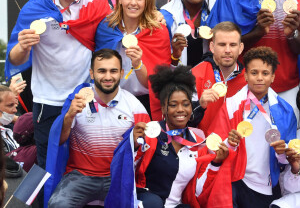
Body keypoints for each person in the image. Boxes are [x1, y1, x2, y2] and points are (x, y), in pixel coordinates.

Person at [5, 0, 111, 170]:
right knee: (48, 166)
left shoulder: (97, 3)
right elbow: (15, 59)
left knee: (84, 164)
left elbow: (111, 41)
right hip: (47, 100)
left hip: (83, 98)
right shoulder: (35, 8)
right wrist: (24, 47)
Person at [105, 65, 233, 208]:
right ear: (163, 108)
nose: (180, 110)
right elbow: (124, 172)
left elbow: (198, 191)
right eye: (173, 105)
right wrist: (133, 145)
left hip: (175, 205)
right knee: (153, 203)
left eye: (186, 104)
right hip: (144, 203)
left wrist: (215, 163)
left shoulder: (197, 144)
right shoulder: (149, 132)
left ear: (191, 108)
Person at [207, 0, 300, 123]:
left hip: (289, 84)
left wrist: (293, 35)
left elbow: (297, 48)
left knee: (287, 145)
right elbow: (218, 44)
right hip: (245, 83)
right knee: (248, 144)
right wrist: (257, 33)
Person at [46, 49, 150, 208]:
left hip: (117, 177)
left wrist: (136, 143)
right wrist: (69, 116)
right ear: (92, 73)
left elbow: (144, 150)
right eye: (102, 71)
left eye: (113, 71)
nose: (108, 77)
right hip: (79, 176)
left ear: (121, 73)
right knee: (58, 205)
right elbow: (58, 142)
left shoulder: (134, 106)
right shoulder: (78, 100)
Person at [208, 47, 297, 208]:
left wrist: (282, 153)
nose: (259, 78)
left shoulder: (285, 111)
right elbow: (213, 147)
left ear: (273, 77)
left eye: (265, 73)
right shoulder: (231, 105)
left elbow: (290, 159)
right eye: (254, 73)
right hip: (234, 179)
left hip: (265, 185)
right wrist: (229, 142)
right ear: (246, 76)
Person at [95, 0, 171, 120]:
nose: (133, 3)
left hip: (145, 102)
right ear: (119, 0)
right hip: (110, 100)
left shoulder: (158, 32)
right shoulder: (106, 28)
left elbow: (156, 83)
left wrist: (138, 64)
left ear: (146, 1)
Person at [192, 22, 246, 135]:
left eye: (233, 45)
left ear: (240, 48)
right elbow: (182, 121)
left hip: (237, 145)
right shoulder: (195, 74)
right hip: (204, 146)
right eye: (222, 44)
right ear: (212, 47)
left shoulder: (248, 78)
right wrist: (199, 105)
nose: (227, 50)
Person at [161, 0, 217, 67]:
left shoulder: (218, 6)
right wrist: (175, 55)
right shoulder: (167, 14)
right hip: (179, 78)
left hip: (211, 77)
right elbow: (162, 64)